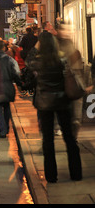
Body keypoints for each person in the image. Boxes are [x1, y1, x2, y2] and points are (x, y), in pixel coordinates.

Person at [26, 30, 82, 183]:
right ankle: (76, 173)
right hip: (63, 102)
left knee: (48, 140)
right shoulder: (62, 58)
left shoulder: (37, 61)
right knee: (69, 138)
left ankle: (51, 176)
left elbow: (27, 62)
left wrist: (36, 47)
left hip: (44, 104)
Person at [0, 38, 23, 138]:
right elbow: (16, 74)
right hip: (8, 87)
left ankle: (3, 129)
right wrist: (21, 84)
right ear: (4, 48)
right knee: (6, 107)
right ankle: (6, 127)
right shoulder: (10, 60)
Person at [56, 23, 84, 139]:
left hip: (73, 83)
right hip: (63, 83)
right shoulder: (57, 44)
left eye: (69, 30)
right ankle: (65, 129)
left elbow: (77, 68)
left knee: (76, 114)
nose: (68, 32)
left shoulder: (71, 45)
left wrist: (82, 85)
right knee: (66, 110)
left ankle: (73, 129)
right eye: (65, 30)